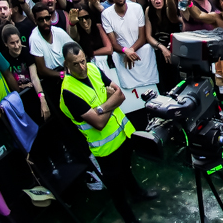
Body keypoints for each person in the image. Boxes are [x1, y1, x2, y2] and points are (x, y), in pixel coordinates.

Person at [60, 41, 156, 223]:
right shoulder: (68, 92)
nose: (82, 67)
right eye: (76, 64)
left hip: (122, 133)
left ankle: (137, 194)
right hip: (105, 148)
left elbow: (120, 94)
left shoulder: (92, 68)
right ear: (66, 65)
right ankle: (130, 219)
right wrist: (110, 100)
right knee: (116, 187)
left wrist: (103, 106)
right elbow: (98, 123)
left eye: (83, 60)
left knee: (127, 169)